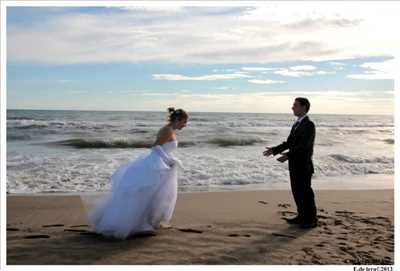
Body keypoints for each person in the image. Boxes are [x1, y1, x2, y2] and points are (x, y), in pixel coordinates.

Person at [87, 107, 188, 239]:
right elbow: (156, 147)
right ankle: (137, 223)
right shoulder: (167, 130)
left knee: (157, 194)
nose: (185, 125)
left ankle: (150, 221)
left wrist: (169, 161)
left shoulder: (170, 130)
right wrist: (169, 160)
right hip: (156, 164)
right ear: (178, 119)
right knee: (146, 193)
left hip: (162, 163)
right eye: (184, 122)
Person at [264, 98, 317, 229]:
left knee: (305, 193)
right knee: (297, 192)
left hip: (303, 165)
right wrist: (274, 150)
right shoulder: (297, 124)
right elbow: (289, 143)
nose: (292, 108)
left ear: (304, 107)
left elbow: (304, 146)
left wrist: (288, 155)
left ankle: (311, 220)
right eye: (293, 105)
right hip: (294, 165)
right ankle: (301, 216)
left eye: (295, 105)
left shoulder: (309, 125)